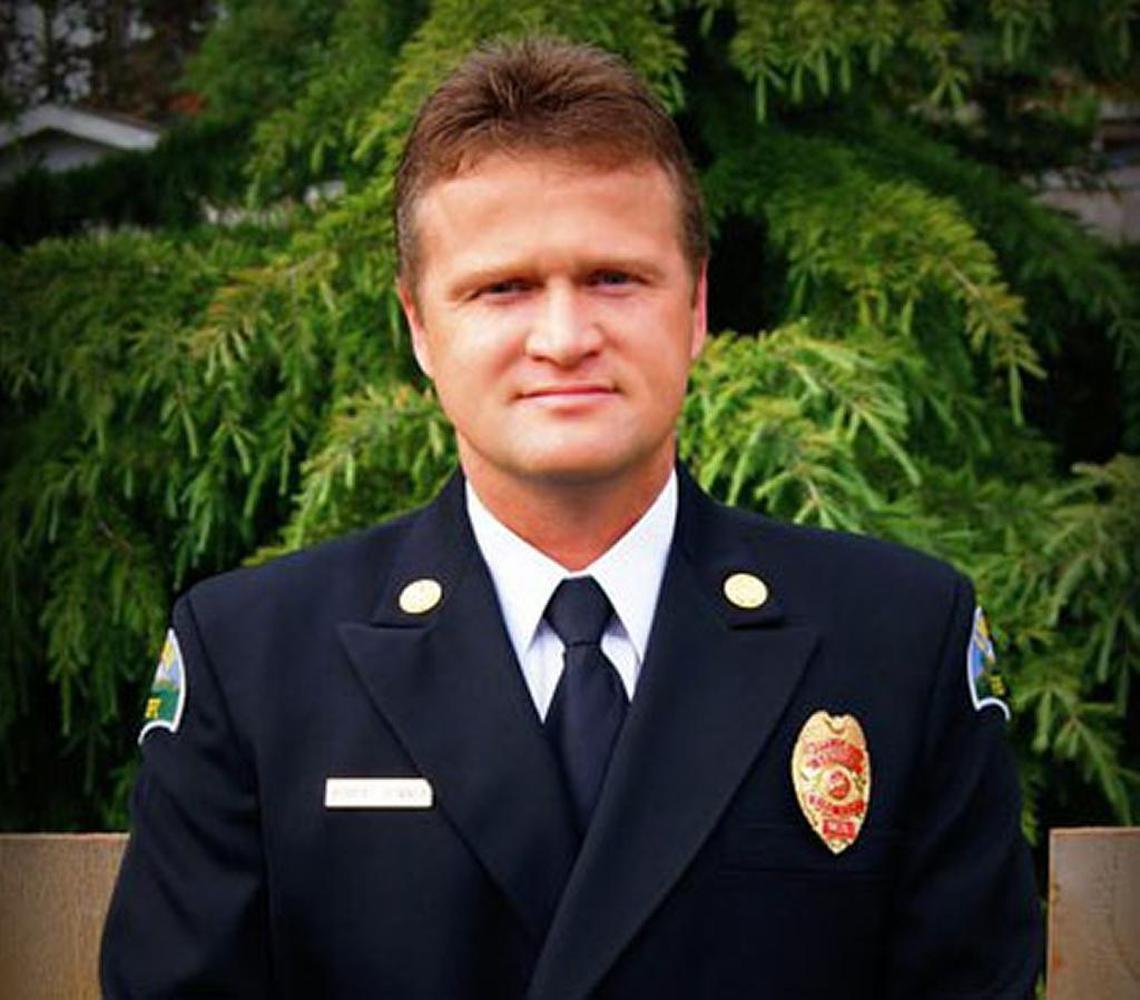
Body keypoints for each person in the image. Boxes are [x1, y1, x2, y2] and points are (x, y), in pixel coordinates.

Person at [101, 36, 1042, 999]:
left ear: (697, 306)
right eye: (502, 288)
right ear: (421, 327)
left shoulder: (896, 641)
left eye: (615, 278)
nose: (564, 338)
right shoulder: (253, 661)